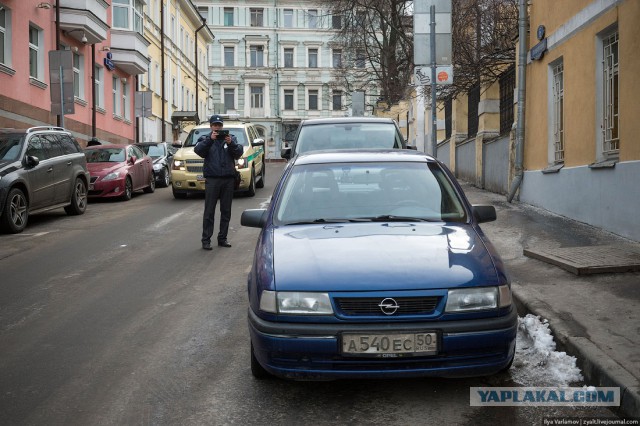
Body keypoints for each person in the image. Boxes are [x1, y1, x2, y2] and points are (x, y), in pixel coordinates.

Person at [194, 114, 243, 250]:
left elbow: (238, 153)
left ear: (222, 126)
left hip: (228, 179)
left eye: (219, 125)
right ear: (211, 127)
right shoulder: (205, 138)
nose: (217, 127)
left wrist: (230, 143)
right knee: (209, 211)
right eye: (215, 125)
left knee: (226, 211)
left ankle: (223, 238)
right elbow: (198, 151)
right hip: (212, 179)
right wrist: (210, 140)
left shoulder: (231, 138)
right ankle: (206, 240)